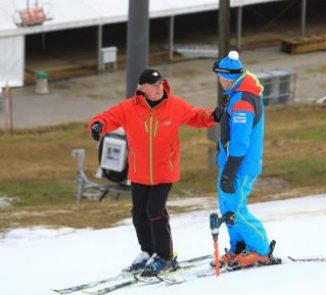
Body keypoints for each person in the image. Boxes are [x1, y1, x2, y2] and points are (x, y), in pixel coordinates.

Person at [88, 68, 222, 275]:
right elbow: (107, 117)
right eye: (154, 85)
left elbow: (196, 116)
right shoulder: (129, 108)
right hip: (139, 172)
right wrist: (97, 125)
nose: (159, 88)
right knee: (139, 213)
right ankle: (148, 251)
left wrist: (213, 115)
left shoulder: (174, 105)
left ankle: (165, 256)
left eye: (160, 84)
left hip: (164, 171)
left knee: (155, 211)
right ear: (142, 88)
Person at [212, 51, 272, 267]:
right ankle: (239, 246)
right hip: (231, 164)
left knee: (236, 209)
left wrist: (230, 170)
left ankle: (261, 249)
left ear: (226, 76)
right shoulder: (238, 96)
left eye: (219, 77)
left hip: (240, 166)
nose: (219, 81)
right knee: (227, 208)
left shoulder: (243, 101)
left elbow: (240, 142)